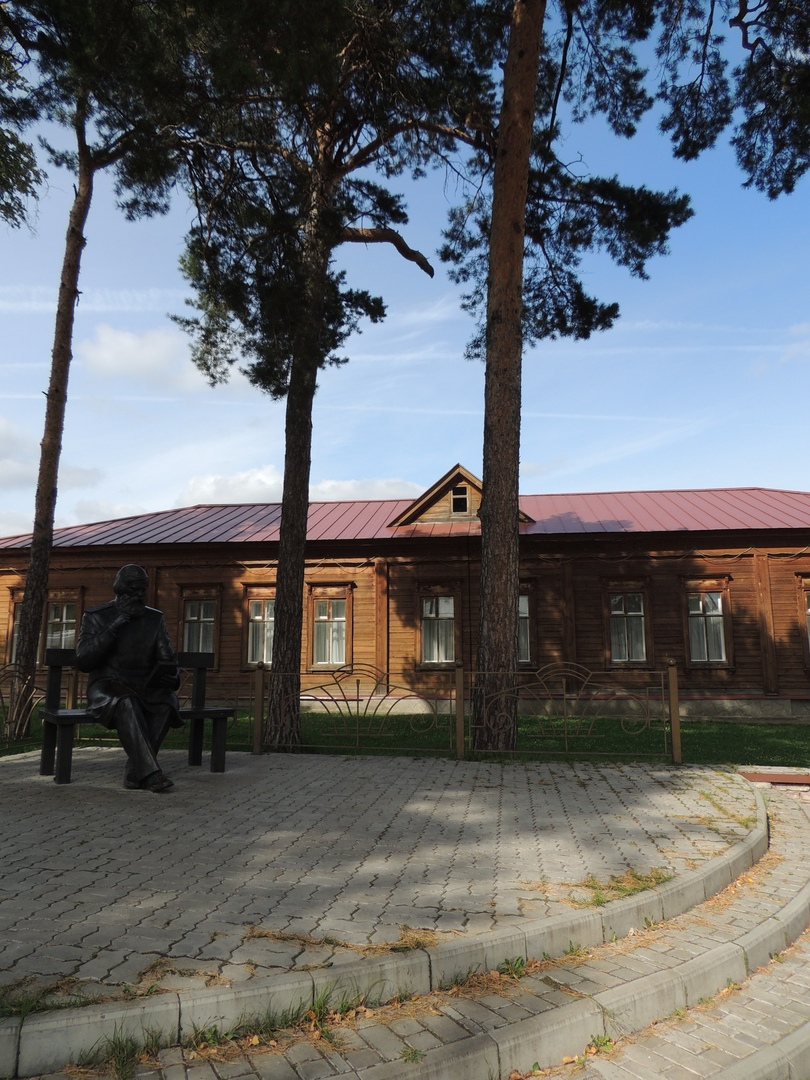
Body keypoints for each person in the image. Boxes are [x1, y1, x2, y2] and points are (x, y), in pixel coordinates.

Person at [76, 564, 181, 793]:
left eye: (143, 589)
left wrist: (172, 677)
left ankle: (135, 771)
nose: (140, 594)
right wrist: (118, 623)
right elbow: (84, 660)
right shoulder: (97, 616)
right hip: (106, 686)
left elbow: (167, 658)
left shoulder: (154, 619)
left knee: (168, 702)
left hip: (143, 686)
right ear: (121, 588)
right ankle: (152, 775)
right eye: (134, 589)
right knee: (126, 701)